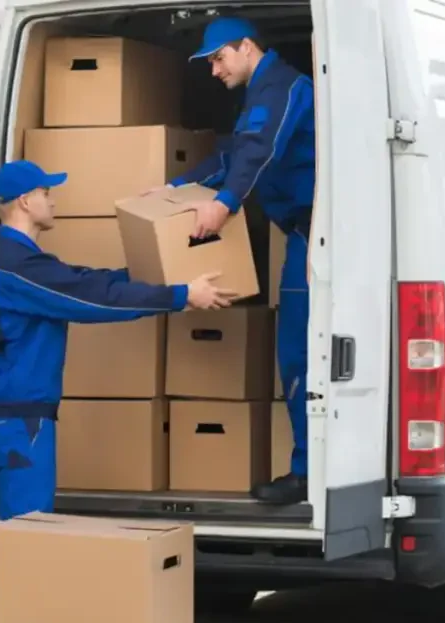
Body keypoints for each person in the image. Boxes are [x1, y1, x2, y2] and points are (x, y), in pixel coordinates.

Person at [0, 159, 237, 623]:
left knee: (19, 547)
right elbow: (90, 301)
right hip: (20, 423)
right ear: (25, 202)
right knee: (20, 549)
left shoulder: (26, 264)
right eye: (47, 192)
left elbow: (88, 281)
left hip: (22, 419)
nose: (54, 200)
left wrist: (156, 269)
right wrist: (179, 295)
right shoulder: (11, 268)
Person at [146, 16, 316, 506]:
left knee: (301, 351)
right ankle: (310, 467)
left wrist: (223, 204)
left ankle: (309, 472)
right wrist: (175, 188)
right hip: (302, 231)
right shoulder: (259, 94)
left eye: (219, 58)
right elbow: (231, 157)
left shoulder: (282, 87)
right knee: (297, 351)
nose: (215, 70)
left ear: (246, 47)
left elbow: (259, 152)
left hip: (320, 234)